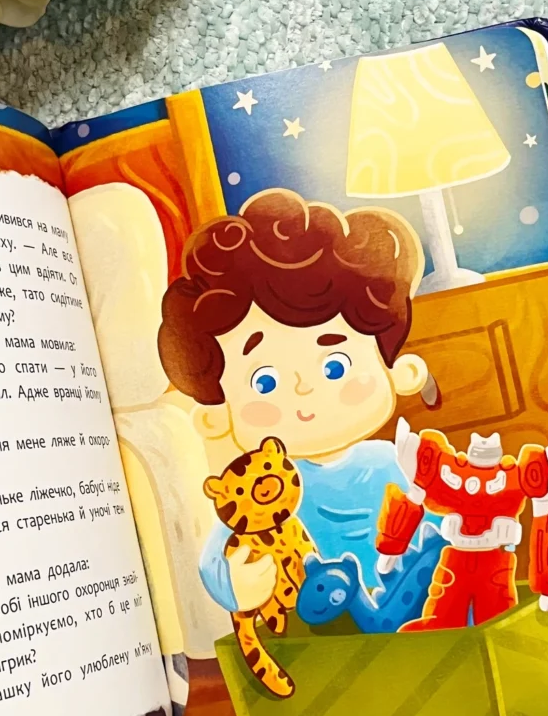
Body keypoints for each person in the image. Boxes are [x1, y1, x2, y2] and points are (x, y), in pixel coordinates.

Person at [158, 187, 441, 617]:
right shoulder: (262, 493)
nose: (305, 391)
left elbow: (442, 525)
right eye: (265, 382)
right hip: (318, 632)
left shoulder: (394, 464)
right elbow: (220, 552)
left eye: (335, 366)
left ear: (397, 371)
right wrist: (236, 583)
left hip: (422, 615)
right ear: (218, 415)